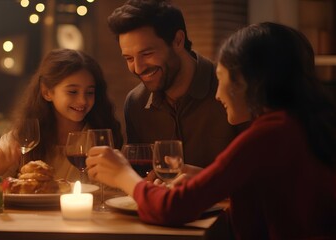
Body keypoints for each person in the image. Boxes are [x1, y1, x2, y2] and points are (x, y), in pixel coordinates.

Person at [86, 22, 336, 239]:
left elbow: (172, 209)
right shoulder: (299, 121)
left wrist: (122, 175)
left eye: (221, 77)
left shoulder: (268, 133)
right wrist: (206, 178)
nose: (217, 95)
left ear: (247, 80)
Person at [107, 0, 244, 168]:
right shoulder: (136, 103)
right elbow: (140, 174)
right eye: (129, 58)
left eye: (147, 53)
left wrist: (200, 182)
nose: (138, 68)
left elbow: (259, 174)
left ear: (178, 41)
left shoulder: (232, 89)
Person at [0, 49, 123, 181]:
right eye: (73, 91)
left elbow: (114, 193)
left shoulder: (100, 139)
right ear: (47, 92)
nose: (83, 101)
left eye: (89, 92)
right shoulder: (24, 138)